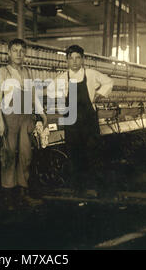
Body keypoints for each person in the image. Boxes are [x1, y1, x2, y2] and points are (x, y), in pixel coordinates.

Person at [48, 45, 113, 196]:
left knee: (93, 152)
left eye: (78, 58)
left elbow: (109, 82)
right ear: (67, 60)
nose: (74, 62)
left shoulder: (90, 74)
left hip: (89, 120)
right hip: (71, 121)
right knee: (74, 153)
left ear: (83, 59)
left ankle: (97, 188)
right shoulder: (62, 77)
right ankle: (78, 189)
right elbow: (50, 90)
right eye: (71, 58)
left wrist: (99, 94)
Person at [0, 38, 47, 209]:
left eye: (22, 51)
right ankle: (8, 197)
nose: (18, 54)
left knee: (26, 155)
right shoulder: (2, 72)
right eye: (15, 50)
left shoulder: (28, 72)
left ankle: (23, 193)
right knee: (9, 156)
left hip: (25, 117)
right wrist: (0, 121)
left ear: (25, 54)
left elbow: (33, 96)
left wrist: (42, 113)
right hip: (9, 117)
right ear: (8, 52)